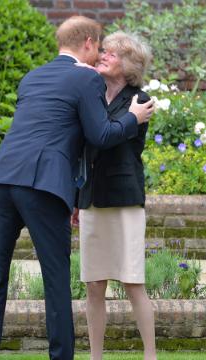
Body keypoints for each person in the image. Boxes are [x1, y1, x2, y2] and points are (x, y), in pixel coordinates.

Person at [0, 16, 155, 360]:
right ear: (87, 42)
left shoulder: (32, 77)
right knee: (56, 281)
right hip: (43, 184)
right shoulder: (85, 79)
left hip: (2, 178)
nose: (100, 53)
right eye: (99, 46)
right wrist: (132, 118)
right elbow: (99, 135)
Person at [75, 32, 157, 360]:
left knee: (133, 282)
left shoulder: (141, 100)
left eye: (113, 53)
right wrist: (75, 197)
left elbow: (107, 137)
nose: (103, 56)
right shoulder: (91, 95)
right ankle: (96, 357)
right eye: (104, 52)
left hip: (125, 201)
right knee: (94, 285)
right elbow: (84, 147)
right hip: (92, 199)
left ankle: (150, 355)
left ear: (129, 65)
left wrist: (129, 118)